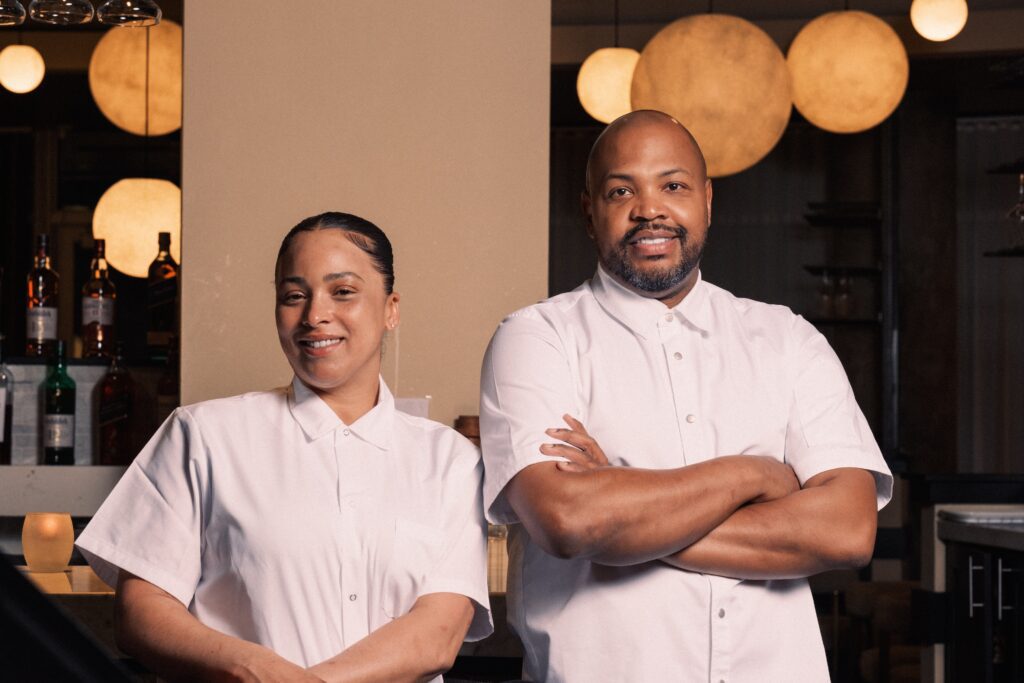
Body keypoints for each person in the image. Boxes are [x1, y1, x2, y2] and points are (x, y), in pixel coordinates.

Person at [480, 110, 892, 682]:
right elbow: (570, 521)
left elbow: (846, 531)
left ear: (706, 200)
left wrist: (625, 520)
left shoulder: (787, 338)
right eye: (621, 189)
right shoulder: (536, 337)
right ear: (588, 210)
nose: (649, 208)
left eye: (672, 186)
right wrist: (755, 476)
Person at [77, 212, 492, 682]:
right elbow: (140, 613)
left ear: (391, 308)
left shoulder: (450, 461)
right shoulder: (202, 435)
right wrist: (253, 669)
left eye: (343, 291)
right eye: (294, 296)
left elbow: (435, 637)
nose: (315, 315)